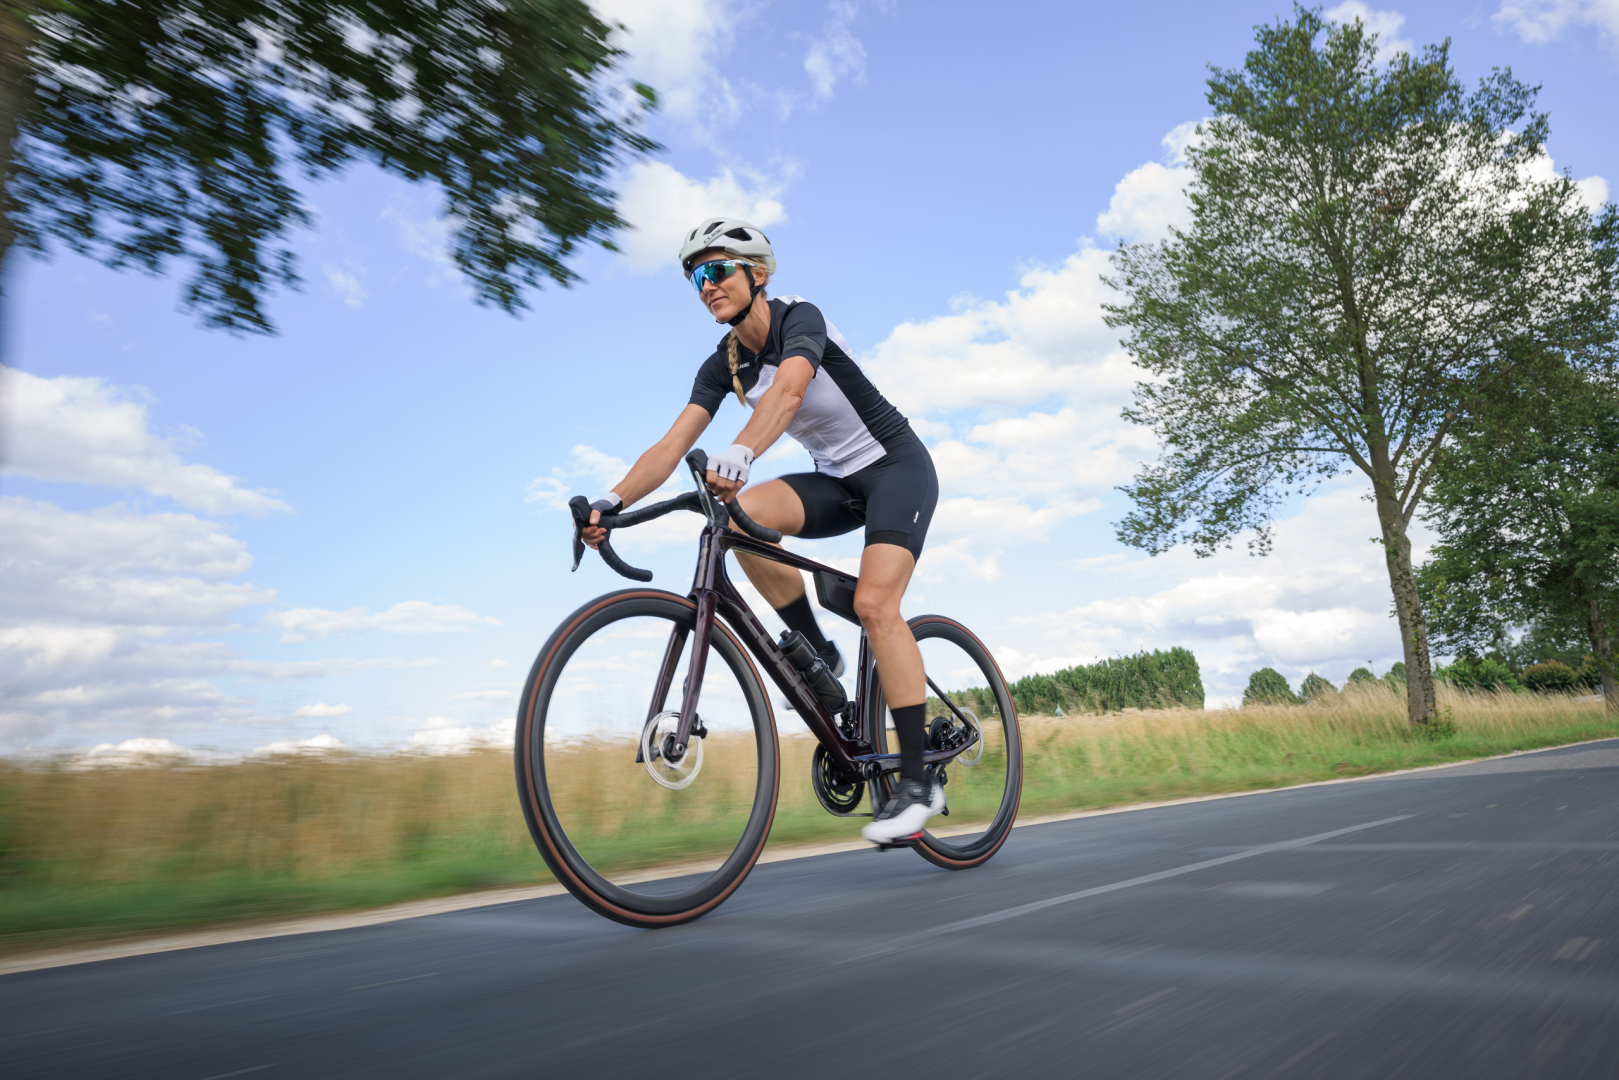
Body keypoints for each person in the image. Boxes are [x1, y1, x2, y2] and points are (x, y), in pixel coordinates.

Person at [579, 217, 943, 844]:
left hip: (895, 468)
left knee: (875, 603)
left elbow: (792, 391)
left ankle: (918, 783)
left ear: (759, 274)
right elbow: (671, 446)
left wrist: (744, 451)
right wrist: (609, 502)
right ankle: (818, 652)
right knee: (740, 519)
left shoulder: (802, 319)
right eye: (697, 277)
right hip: (834, 480)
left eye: (717, 270)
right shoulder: (724, 362)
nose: (706, 285)